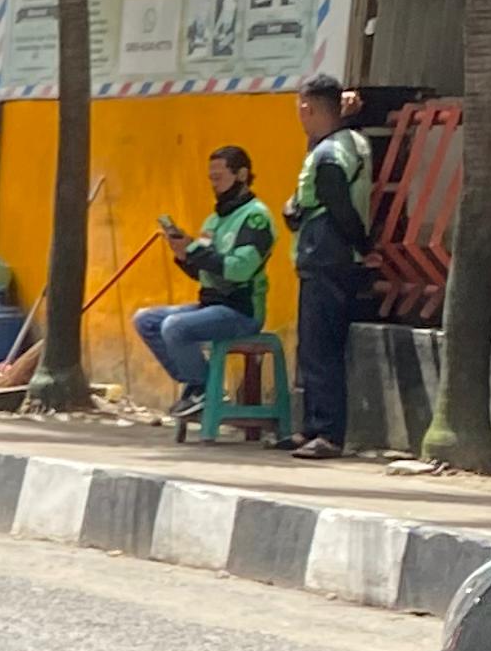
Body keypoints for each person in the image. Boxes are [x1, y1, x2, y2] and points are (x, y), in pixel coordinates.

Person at [132, 144, 278, 440]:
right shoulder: (214, 220)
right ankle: (200, 385)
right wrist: (184, 255)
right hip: (210, 305)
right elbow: (204, 271)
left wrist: (196, 250)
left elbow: (239, 269)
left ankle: (204, 388)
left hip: (240, 311)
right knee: (146, 320)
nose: (213, 184)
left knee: (175, 326)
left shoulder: (255, 219)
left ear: (242, 175)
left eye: (219, 177)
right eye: (210, 178)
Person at [281, 75, 372, 464]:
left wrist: (363, 246)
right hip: (323, 256)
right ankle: (313, 426)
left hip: (328, 256)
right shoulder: (339, 145)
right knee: (313, 346)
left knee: (322, 350)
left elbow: (339, 207)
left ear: (308, 107)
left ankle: (328, 432)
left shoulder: (331, 154)